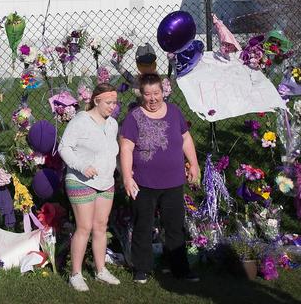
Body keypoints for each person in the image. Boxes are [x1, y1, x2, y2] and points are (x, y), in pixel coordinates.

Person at [119, 73, 200, 284]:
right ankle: (141, 268)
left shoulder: (174, 112)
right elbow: (126, 148)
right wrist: (127, 177)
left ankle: (180, 268)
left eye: (156, 93)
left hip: (173, 181)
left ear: (163, 92)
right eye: (148, 94)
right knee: (142, 226)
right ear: (141, 95)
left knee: (174, 227)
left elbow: (185, 138)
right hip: (143, 182)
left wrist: (194, 164)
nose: (152, 98)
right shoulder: (134, 117)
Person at [58, 83, 121, 292]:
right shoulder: (80, 121)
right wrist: (82, 166)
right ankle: (75, 274)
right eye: (109, 102)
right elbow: (64, 147)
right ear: (96, 100)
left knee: (101, 227)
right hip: (80, 180)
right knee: (84, 227)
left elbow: (112, 152)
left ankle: (100, 270)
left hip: (106, 182)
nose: (113, 106)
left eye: (115, 102)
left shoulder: (112, 124)